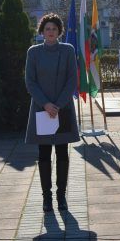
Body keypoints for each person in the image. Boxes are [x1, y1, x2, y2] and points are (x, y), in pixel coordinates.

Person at [25, 13, 80, 213]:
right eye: (47, 29)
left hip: (62, 109)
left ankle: (61, 196)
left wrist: (57, 104)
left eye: (54, 29)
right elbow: (30, 82)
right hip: (42, 110)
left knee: (62, 153)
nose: (50, 32)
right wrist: (46, 104)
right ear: (42, 31)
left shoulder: (67, 50)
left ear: (59, 32)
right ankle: (46, 197)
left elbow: (72, 80)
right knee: (44, 153)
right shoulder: (34, 52)